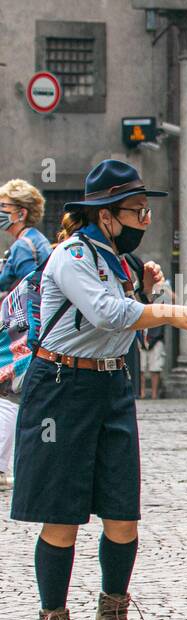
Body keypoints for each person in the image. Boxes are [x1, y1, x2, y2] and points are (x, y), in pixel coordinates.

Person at [10, 159, 187, 620]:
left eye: (147, 212)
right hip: (61, 385)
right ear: (105, 215)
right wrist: (164, 309)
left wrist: (147, 295)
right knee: (61, 516)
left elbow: (130, 330)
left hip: (110, 384)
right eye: (138, 211)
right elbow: (107, 313)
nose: (145, 221)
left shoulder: (118, 262)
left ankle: (111, 610)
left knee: (122, 514)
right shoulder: (72, 255)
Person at [0, 180, 54, 491]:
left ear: (20, 213)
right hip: (28, 332)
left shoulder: (25, 245)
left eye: (4, 208)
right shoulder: (31, 241)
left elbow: (25, 291)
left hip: (22, 334)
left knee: (8, 392)